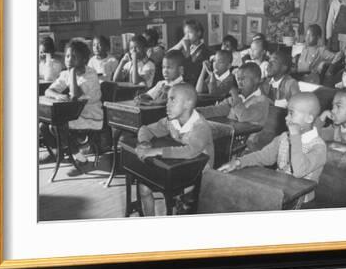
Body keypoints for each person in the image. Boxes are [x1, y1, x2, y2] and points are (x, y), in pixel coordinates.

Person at [218, 93, 327, 203]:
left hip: (299, 201)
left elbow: (299, 171)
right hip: (277, 189)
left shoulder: (319, 148)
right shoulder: (284, 138)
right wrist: (238, 162)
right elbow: (263, 156)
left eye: (291, 113)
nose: (286, 117)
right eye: (287, 113)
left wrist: (295, 136)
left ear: (309, 118)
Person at [135, 83, 214, 216]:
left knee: (177, 201)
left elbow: (190, 151)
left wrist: (157, 151)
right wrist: (144, 142)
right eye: (167, 100)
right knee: (143, 188)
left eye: (172, 100)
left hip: (200, 175)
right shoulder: (172, 121)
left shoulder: (200, 126)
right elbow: (146, 129)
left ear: (188, 103)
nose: (167, 104)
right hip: (178, 167)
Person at [42, 40, 103, 163]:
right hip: (74, 115)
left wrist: (73, 72)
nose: (69, 60)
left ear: (85, 60)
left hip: (90, 116)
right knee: (43, 126)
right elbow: (48, 91)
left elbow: (75, 95)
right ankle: (57, 153)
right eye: (68, 56)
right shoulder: (65, 73)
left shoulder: (91, 74)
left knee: (57, 125)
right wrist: (57, 96)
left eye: (74, 57)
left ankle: (78, 157)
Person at [197, 62, 269, 126]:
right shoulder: (239, 98)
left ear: (256, 80)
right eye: (238, 79)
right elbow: (216, 110)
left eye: (243, 79)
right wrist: (195, 112)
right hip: (231, 134)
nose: (239, 83)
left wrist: (235, 95)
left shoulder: (262, 101)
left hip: (248, 139)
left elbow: (244, 116)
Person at [169, 19, 210, 86]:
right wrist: (180, 44)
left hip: (193, 85)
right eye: (185, 34)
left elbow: (191, 72)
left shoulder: (204, 52)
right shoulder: (186, 47)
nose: (186, 37)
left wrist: (187, 49)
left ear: (198, 33)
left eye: (189, 33)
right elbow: (169, 55)